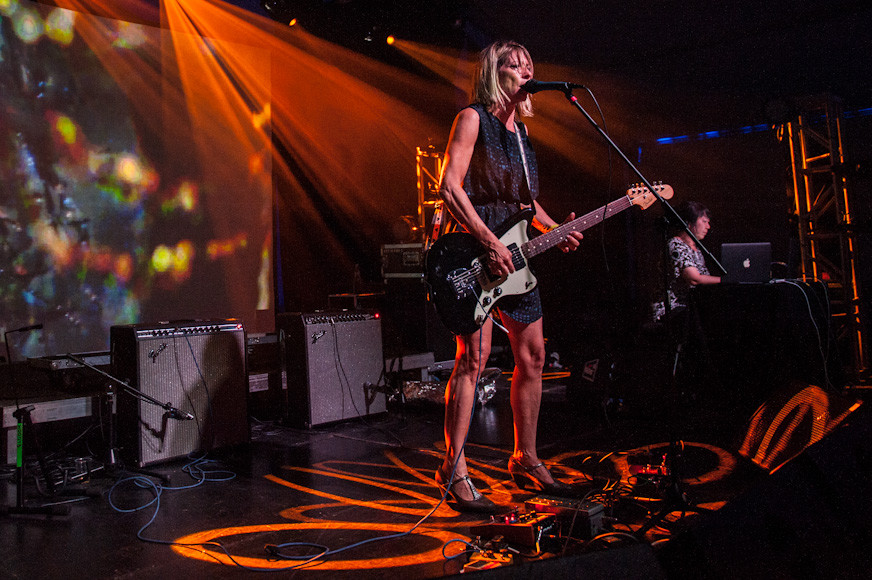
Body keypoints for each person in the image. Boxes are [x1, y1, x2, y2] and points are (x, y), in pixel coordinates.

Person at [434, 40, 584, 512]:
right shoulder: (472, 118)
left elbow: (524, 203)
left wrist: (553, 227)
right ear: (493, 73)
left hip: (516, 259)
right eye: (513, 64)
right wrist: (489, 242)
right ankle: (453, 467)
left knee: (535, 356)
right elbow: (450, 186)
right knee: (472, 361)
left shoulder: (524, 136)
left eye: (529, 65)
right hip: (477, 253)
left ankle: (525, 457)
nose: (524, 71)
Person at [652, 200, 721, 322]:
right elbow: (694, 278)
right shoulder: (676, 245)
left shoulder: (697, 250)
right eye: (704, 222)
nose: (708, 226)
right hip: (673, 309)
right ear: (689, 223)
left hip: (690, 308)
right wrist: (725, 280)